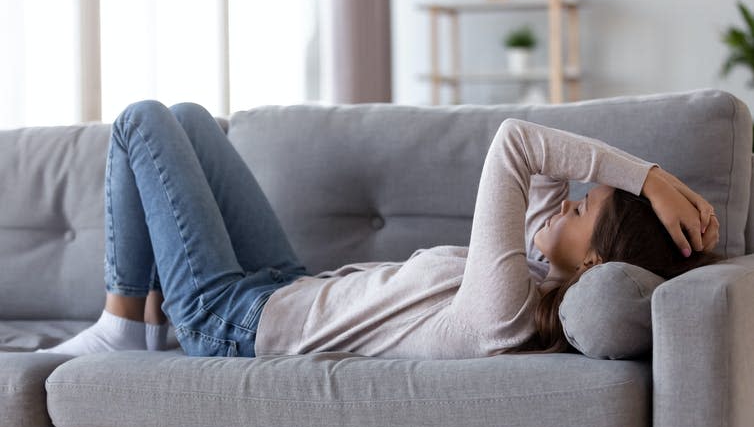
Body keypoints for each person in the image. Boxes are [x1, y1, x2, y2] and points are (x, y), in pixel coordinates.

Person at [37, 101, 721, 359]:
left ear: (595, 261)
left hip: (235, 326)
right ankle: (152, 325)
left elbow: (517, 144)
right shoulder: (542, 272)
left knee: (142, 122)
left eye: (580, 210)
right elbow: (548, 183)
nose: (566, 202)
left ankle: (123, 326)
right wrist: (638, 185)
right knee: (188, 117)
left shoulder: (505, 309)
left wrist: (652, 175)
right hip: (286, 285)